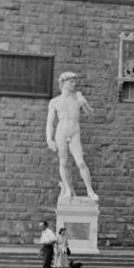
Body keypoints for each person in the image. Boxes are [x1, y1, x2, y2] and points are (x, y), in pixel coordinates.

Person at [46, 72, 99, 201]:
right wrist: (49, 138)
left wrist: (84, 103)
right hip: (61, 132)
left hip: (74, 132)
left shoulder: (78, 98)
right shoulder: (55, 101)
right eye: (71, 82)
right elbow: (50, 122)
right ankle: (68, 189)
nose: (74, 84)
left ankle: (90, 190)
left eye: (75, 82)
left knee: (80, 162)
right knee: (63, 162)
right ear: (63, 83)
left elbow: (91, 114)